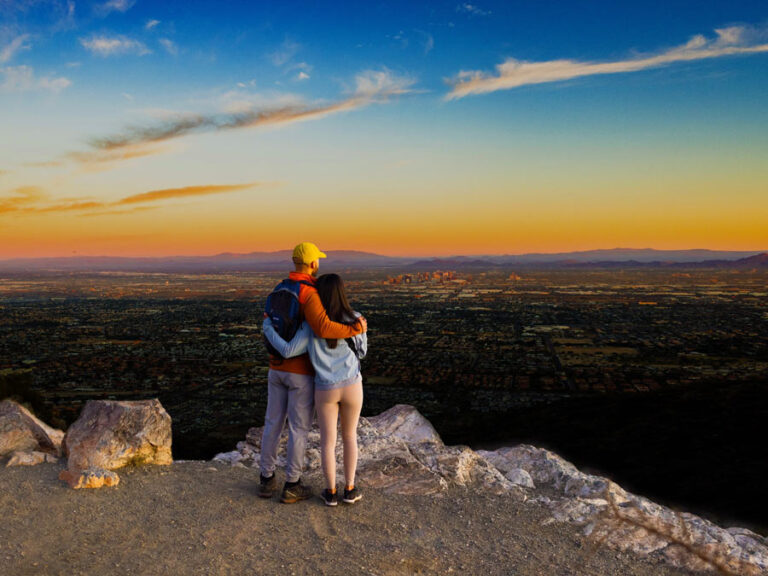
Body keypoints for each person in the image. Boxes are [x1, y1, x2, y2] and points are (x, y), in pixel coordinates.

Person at [259, 243, 366, 504]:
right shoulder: (309, 293)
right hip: (301, 374)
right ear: (312, 264)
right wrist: (356, 328)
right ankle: (293, 484)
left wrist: (267, 330)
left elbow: (274, 323)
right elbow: (325, 328)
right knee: (298, 428)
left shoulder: (280, 288)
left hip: (276, 369)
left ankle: (266, 479)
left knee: (272, 423)